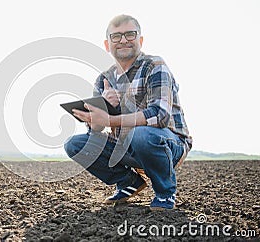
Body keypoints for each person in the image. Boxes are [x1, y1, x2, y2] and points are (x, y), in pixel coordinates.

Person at [64, 14, 192, 210]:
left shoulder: (154, 66)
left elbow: (160, 116)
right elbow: (96, 130)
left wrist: (111, 118)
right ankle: (128, 182)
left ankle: (165, 192)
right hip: (125, 147)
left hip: (167, 144)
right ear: (108, 45)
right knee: (75, 144)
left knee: (140, 134)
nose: (123, 40)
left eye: (130, 34)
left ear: (140, 40)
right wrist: (103, 108)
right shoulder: (103, 79)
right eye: (116, 36)